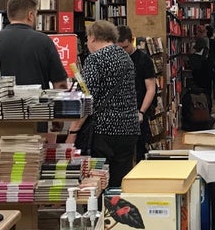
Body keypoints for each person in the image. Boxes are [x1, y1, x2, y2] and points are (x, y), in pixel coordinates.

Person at [66, 20, 139, 187]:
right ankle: (117, 210)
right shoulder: (126, 57)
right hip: (128, 128)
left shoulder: (95, 59)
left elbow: (87, 99)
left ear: (92, 38)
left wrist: (73, 130)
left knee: (97, 181)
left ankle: (99, 212)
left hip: (103, 130)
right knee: (119, 181)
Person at [0, 0, 68, 89]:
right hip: (37, 103)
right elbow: (60, 84)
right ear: (30, 15)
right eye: (36, 14)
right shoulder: (44, 41)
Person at [116, 25, 157, 162]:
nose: (122, 51)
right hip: (119, 111)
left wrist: (142, 111)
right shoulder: (114, 60)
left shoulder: (143, 60)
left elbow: (151, 88)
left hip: (139, 108)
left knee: (140, 147)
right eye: (118, 48)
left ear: (132, 41)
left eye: (125, 47)